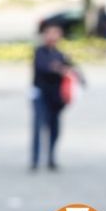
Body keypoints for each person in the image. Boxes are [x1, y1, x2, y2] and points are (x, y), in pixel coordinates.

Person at [30, 23, 75, 171]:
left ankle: (51, 158)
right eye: (49, 33)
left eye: (56, 33)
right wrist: (60, 68)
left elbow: (74, 70)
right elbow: (43, 67)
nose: (52, 36)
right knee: (38, 127)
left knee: (54, 128)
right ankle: (35, 159)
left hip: (56, 97)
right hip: (40, 95)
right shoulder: (39, 52)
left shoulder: (60, 54)